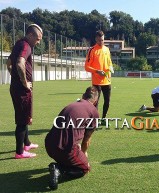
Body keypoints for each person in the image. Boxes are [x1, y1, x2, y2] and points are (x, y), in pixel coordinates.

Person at [45, 86, 99, 190]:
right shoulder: (93, 111)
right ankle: (59, 169)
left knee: (70, 151)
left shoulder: (71, 105)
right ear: (95, 100)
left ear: (83, 96)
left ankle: (62, 164)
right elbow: (86, 140)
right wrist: (83, 154)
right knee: (85, 168)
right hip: (65, 149)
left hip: (49, 145)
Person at [6, 24, 43, 159]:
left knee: (25, 116)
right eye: (38, 39)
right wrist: (24, 82)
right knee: (22, 120)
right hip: (22, 89)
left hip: (16, 87)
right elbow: (19, 63)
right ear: (31, 35)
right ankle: (20, 152)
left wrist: (14, 76)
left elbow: (8, 63)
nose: (38, 42)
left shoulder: (19, 44)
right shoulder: (26, 46)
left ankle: (26, 143)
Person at [85, 30, 113, 125]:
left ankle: (104, 119)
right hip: (97, 82)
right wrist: (97, 71)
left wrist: (111, 68)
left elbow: (109, 62)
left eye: (102, 40)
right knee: (95, 103)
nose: (101, 42)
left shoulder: (107, 49)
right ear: (95, 39)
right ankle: (95, 121)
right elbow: (87, 67)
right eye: (99, 40)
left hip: (107, 81)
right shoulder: (92, 50)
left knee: (107, 101)